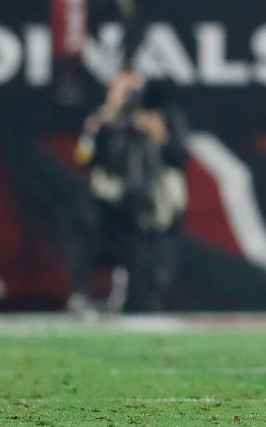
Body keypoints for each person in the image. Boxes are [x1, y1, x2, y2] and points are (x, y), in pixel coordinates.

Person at [72, 70, 189, 312]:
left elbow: (179, 157)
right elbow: (85, 157)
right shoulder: (104, 119)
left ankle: (151, 296)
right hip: (115, 198)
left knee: (155, 247)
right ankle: (85, 293)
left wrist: (159, 135)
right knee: (83, 222)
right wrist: (105, 119)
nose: (132, 97)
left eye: (135, 90)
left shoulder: (165, 115)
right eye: (125, 90)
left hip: (154, 199)